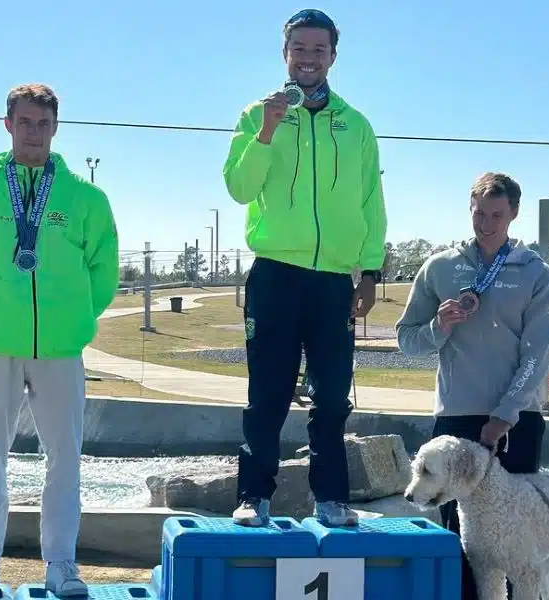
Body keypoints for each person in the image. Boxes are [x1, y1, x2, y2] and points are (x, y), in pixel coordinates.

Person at [0, 83, 120, 598]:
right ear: (8, 125)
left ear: (56, 128)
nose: (34, 133)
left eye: (43, 124)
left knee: (64, 459)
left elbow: (103, 268)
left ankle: (62, 564)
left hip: (61, 350)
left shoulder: (86, 199)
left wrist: (75, 318)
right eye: (25, 122)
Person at [222, 8, 388, 528]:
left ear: (333, 56)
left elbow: (371, 202)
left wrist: (370, 270)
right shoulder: (256, 115)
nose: (309, 58)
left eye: (319, 49)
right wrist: (267, 132)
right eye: (300, 48)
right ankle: (254, 497)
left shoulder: (356, 126)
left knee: (333, 397)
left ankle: (332, 499)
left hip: (334, 281)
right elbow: (239, 188)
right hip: (275, 274)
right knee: (267, 394)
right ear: (285, 53)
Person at [394, 172, 549, 599]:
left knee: (520, 539)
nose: (486, 224)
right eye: (478, 214)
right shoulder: (440, 267)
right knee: (461, 539)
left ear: (514, 214)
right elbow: (407, 341)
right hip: (456, 420)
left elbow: (537, 353)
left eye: (496, 215)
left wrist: (506, 413)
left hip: (517, 420)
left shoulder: (535, 272)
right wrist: (439, 326)